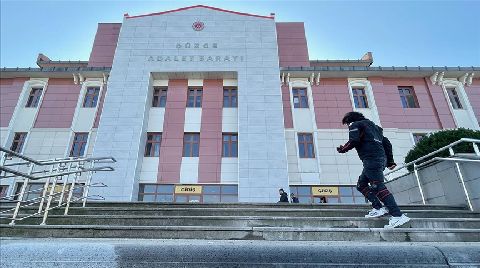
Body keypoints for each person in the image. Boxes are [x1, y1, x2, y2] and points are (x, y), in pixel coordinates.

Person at [336, 111, 410, 228]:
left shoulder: (355, 125)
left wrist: (342, 149)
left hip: (371, 160)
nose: (348, 127)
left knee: (378, 187)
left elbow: (354, 140)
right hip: (379, 160)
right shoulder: (375, 128)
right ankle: (378, 208)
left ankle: (397, 215)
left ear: (350, 121)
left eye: (347, 124)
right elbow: (387, 143)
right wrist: (390, 161)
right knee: (361, 185)